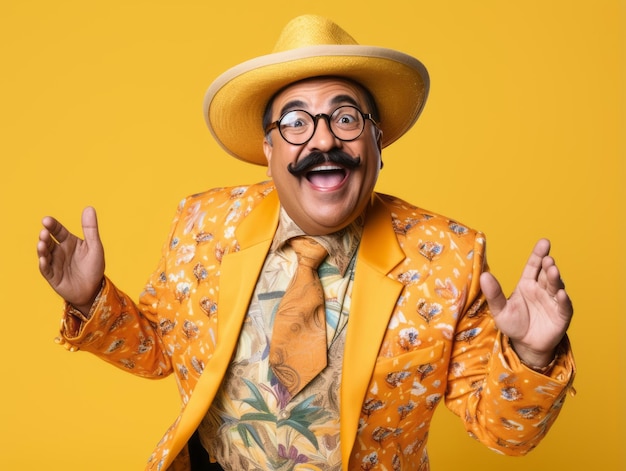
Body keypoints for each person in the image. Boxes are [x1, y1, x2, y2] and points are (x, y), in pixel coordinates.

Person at [37, 14, 575, 471]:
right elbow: (159, 352)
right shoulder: (206, 224)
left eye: (345, 118)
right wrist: (90, 301)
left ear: (377, 139)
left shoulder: (450, 258)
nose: (323, 140)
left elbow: (505, 435)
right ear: (268, 148)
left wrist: (531, 354)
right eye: (295, 123)